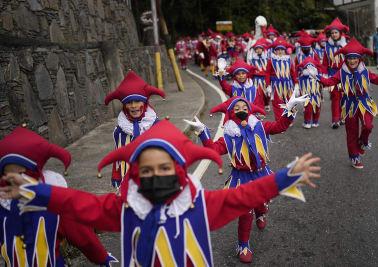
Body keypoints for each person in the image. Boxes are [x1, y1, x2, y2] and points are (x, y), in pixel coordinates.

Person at [1, 120, 320, 267]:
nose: (156, 175)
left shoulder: (200, 205)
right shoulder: (125, 209)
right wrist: (37, 192)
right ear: (137, 175)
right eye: (147, 170)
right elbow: (79, 204)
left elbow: (244, 196)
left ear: (180, 171)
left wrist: (283, 178)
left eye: (165, 168)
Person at [185, 94, 307, 263]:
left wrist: (290, 110)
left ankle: (261, 212)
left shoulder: (260, 126)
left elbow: (280, 127)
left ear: (249, 111)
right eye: (236, 108)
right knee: (245, 211)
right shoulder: (228, 135)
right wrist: (202, 132)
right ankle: (243, 245)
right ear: (230, 113)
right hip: (241, 176)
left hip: (261, 172)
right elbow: (212, 149)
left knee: (262, 200)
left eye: (244, 108)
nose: (241, 110)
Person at [0, 127, 117, 267]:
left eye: (23, 174)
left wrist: (101, 257)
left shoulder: (54, 205)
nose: (17, 182)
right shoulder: (3, 204)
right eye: (8, 176)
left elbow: (81, 234)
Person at [308, 38, 378, 168]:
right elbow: (329, 82)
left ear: (359, 59)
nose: (352, 61)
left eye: (355, 58)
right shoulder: (342, 72)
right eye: (349, 58)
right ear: (346, 59)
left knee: (368, 127)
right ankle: (354, 157)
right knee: (351, 132)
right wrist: (317, 76)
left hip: (364, 103)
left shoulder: (365, 71)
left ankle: (362, 141)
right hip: (349, 105)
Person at [105, 70, 165, 188]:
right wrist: (116, 176)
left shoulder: (157, 126)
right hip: (130, 184)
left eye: (137, 101)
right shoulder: (120, 131)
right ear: (124, 106)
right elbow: (118, 155)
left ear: (145, 103)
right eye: (129, 103)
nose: (133, 106)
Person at [322, 17, 349, 129]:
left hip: (345, 74)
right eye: (332, 33)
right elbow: (324, 62)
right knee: (335, 97)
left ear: (340, 33)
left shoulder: (346, 45)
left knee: (345, 96)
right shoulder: (327, 46)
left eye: (336, 32)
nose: (334, 34)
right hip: (332, 74)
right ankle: (335, 120)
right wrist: (324, 75)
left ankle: (343, 117)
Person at [265, 37, 299, 121]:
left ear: (285, 50)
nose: (280, 51)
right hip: (276, 85)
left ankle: (288, 120)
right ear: (275, 51)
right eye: (278, 49)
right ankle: (279, 122)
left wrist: (296, 84)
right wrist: (268, 85)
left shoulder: (289, 59)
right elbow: (267, 73)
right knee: (277, 103)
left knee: (289, 102)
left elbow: (292, 73)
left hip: (288, 85)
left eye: (282, 49)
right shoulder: (271, 60)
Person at [296, 57, 323, 128]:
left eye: (311, 68)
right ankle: (308, 122)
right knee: (308, 109)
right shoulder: (302, 77)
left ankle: (315, 121)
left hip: (316, 96)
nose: (309, 70)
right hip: (307, 96)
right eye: (307, 68)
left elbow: (322, 85)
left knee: (317, 108)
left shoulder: (317, 77)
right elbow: (298, 81)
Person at [249, 38, 271, 111]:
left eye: (260, 49)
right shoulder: (252, 60)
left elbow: (269, 70)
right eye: (257, 49)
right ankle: (260, 109)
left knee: (267, 94)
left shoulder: (267, 59)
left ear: (263, 49)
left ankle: (267, 103)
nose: (258, 50)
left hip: (265, 79)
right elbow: (251, 71)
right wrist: (250, 79)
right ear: (255, 50)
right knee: (259, 94)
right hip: (256, 79)